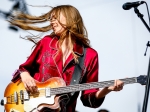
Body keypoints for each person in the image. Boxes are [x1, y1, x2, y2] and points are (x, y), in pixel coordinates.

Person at [9, 5, 124, 112]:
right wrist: (25, 75)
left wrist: (107, 89)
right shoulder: (46, 42)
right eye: (51, 18)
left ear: (70, 19)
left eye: (55, 18)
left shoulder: (90, 55)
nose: (51, 21)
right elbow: (24, 68)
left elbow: (88, 98)